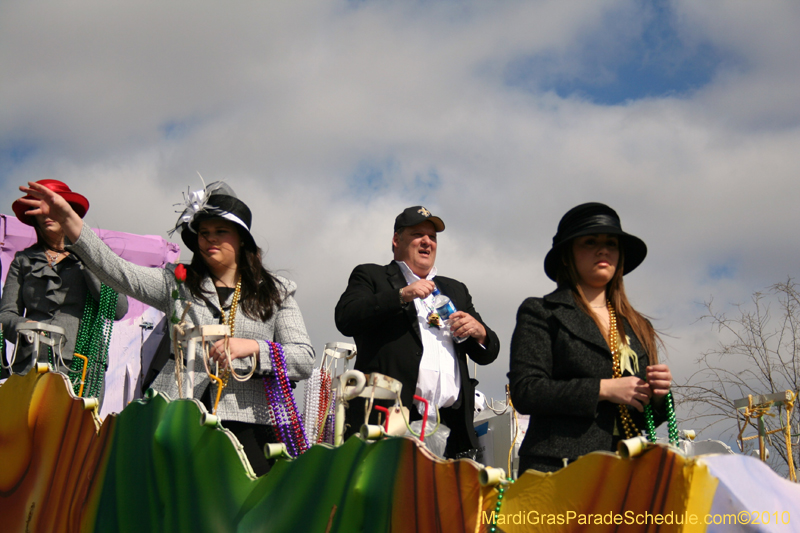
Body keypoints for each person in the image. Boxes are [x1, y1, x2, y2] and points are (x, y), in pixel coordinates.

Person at [17, 180, 314, 476]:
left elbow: (303, 359)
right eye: (204, 233)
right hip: (180, 422)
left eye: (220, 232)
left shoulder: (277, 292)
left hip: (253, 426)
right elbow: (118, 271)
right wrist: (69, 220)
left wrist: (252, 349)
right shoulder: (176, 283)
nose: (210, 239)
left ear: (241, 239)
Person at [509, 202, 673, 473]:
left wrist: (658, 393)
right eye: (590, 241)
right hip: (559, 470)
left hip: (626, 471)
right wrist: (604, 389)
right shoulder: (541, 312)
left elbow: (649, 420)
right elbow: (526, 391)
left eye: (612, 243)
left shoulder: (638, 325)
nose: (603, 249)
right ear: (566, 255)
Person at [335, 206, 500, 458]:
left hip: (450, 427)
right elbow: (346, 317)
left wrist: (480, 333)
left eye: (432, 237)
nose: (427, 241)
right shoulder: (372, 276)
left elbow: (488, 353)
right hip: (388, 421)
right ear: (396, 240)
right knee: (390, 497)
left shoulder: (455, 290)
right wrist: (401, 295)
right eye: (418, 234)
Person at [0, 180, 128, 380]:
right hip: (30, 364)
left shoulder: (98, 253)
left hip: (83, 364)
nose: (47, 213)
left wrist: (87, 256)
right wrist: (25, 327)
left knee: (76, 414)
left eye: (53, 207)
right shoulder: (22, 260)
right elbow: (6, 315)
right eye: (40, 207)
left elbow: (118, 309)